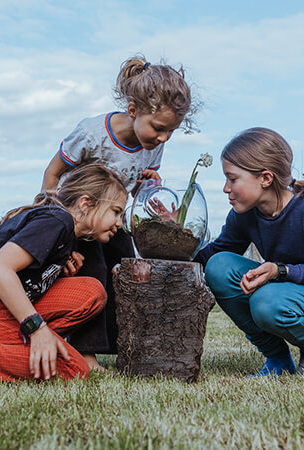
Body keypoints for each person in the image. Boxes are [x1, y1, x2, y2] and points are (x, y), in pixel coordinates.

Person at [40, 55, 196, 371]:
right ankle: (85, 353)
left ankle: (123, 345)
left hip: (113, 221)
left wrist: (147, 186)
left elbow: (133, 189)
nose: (163, 138)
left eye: (171, 131)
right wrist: (53, 221)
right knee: (94, 269)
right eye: (159, 128)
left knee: (126, 268)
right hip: (80, 221)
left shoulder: (153, 144)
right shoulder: (92, 133)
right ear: (133, 110)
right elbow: (52, 173)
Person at [0, 164, 127, 388]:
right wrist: (36, 328)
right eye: (115, 212)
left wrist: (53, 270)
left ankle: (20, 350)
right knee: (72, 368)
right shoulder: (57, 221)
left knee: (91, 292)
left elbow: (22, 277)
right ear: (85, 203)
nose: (119, 223)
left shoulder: (61, 230)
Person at [194, 128, 304, 377]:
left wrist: (280, 271)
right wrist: (176, 237)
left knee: (266, 301)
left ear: (266, 178)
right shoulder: (245, 214)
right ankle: (278, 360)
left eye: (233, 179)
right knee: (219, 267)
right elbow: (212, 256)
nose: (225, 188)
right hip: (282, 289)